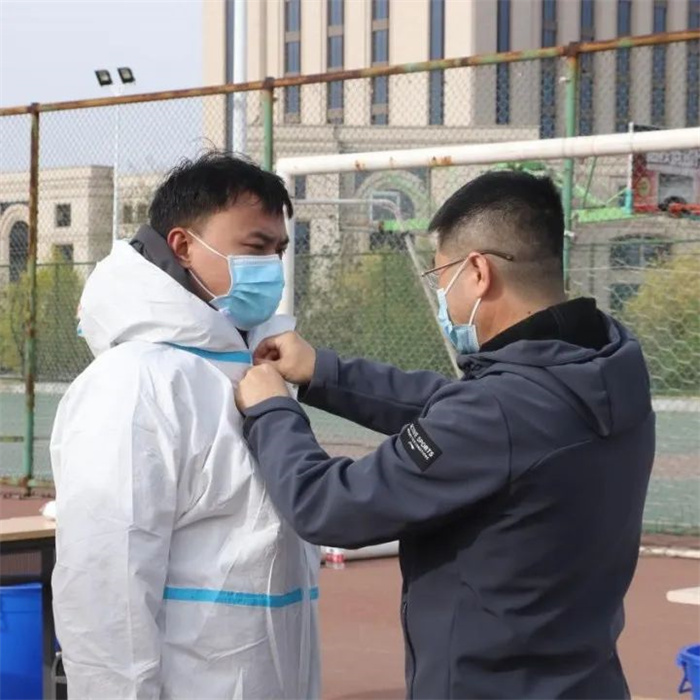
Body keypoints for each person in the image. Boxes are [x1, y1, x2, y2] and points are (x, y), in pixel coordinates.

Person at [234, 171, 655, 699]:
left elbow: (330, 506)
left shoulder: (498, 413)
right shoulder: (607, 363)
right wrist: (324, 372)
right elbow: (459, 408)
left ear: (477, 272)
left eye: (440, 276)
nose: (440, 296)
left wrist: (272, 411)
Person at [51, 153, 320, 700]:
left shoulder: (250, 369)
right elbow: (106, 585)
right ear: (183, 246)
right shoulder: (136, 382)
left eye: (279, 250)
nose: (272, 267)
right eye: (255, 247)